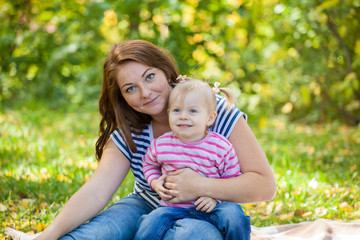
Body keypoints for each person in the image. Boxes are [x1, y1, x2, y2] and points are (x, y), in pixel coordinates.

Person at [6, 39, 276, 240]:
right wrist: (47, 235)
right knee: (99, 233)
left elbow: (265, 186)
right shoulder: (131, 128)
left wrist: (200, 185)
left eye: (150, 77)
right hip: (148, 205)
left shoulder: (210, 109)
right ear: (122, 98)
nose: (145, 93)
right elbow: (96, 191)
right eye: (131, 89)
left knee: (195, 236)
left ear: (165, 70)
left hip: (210, 209)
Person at [134, 78, 251, 240]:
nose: (183, 116)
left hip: (211, 208)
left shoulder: (220, 147)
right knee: (149, 222)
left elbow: (231, 178)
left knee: (234, 214)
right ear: (169, 114)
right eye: (176, 111)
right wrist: (154, 182)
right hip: (172, 207)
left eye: (192, 111)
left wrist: (215, 198)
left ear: (210, 118)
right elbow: (148, 164)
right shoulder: (161, 144)